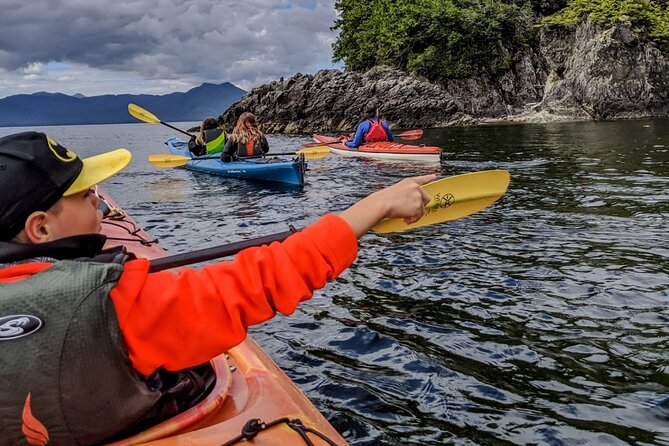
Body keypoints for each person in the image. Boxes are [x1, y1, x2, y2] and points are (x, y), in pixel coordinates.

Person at [0, 131, 435, 445]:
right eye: (84, 194)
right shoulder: (114, 303)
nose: (98, 198)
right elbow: (264, 277)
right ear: (40, 227)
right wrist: (376, 204)